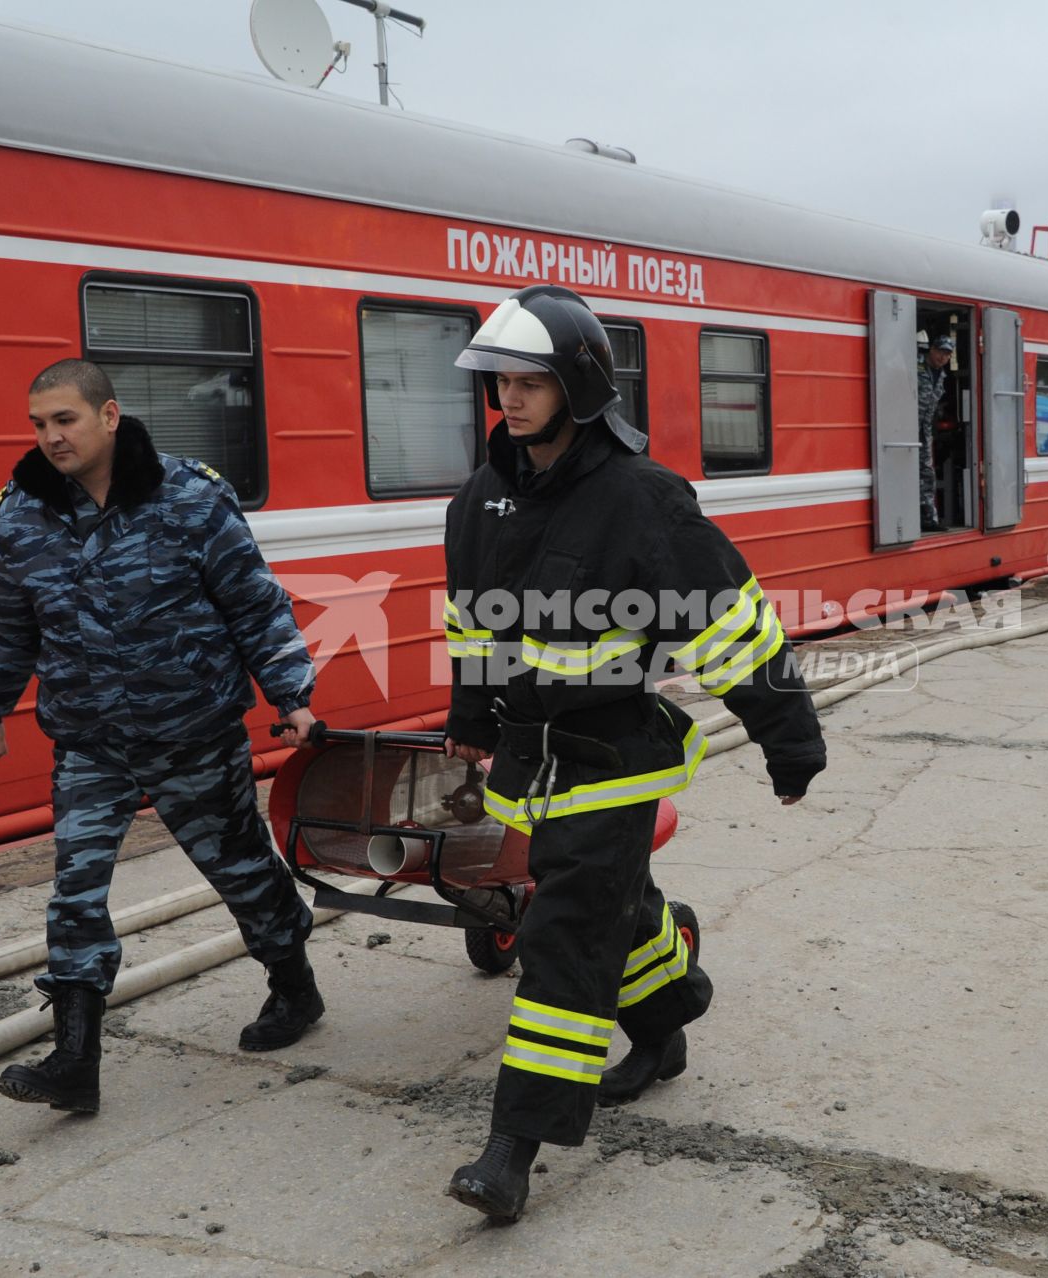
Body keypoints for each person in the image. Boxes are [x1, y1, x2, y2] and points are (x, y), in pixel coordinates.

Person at [439, 285, 827, 1221]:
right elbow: (470, 627)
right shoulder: (482, 499)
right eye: (501, 383)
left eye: (531, 383)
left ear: (578, 385)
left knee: (562, 936)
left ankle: (513, 1149)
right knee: (614, 903)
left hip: (614, 754)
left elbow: (732, 623)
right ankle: (668, 1015)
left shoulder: (643, 498)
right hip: (534, 758)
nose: (512, 400)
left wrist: (789, 739)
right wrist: (474, 722)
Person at [0, 358, 324, 1116]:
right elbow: (7, 622)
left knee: (241, 870)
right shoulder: (20, 514)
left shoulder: (189, 497)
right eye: (38, 423)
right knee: (75, 891)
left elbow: (254, 604)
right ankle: (75, 1058)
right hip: (91, 739)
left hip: (192, 729)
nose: (50, 436)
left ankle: (294, 988)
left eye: (64, 420)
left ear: (108, 416)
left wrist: (290, 694)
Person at [918, 335, 956, 528]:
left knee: (926, 473)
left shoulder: (941, 375)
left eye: (948, 355)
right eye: (941, 352)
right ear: (932, 349)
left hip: (923, 430)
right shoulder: (915, 365)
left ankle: (928, 520)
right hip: (903, 427)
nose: (944, 358)